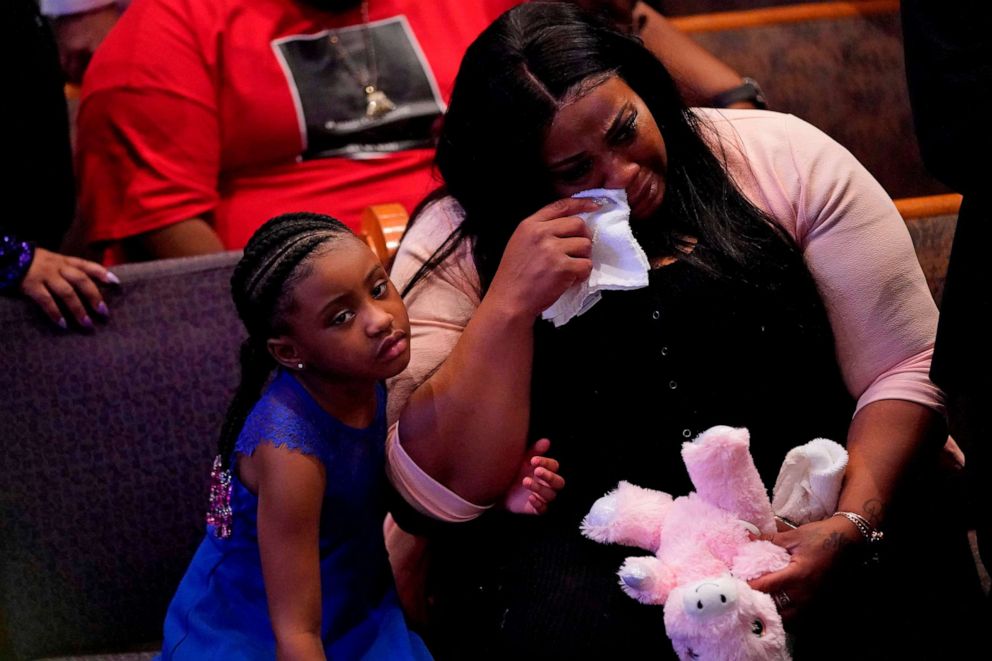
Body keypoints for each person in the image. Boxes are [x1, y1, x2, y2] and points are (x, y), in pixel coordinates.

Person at [385, 3, 982, 658]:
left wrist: (850, 524)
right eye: (576, 171)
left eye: (625, 129)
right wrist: (506, 307)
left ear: (645, 90)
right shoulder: (458, 239)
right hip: (607, 544)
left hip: (825, 498)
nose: (622, 175)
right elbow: (435, 493)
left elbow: (904, 364)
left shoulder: (774, 154)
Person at [76, 0, 762, 264]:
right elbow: (170, 239)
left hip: (517, 261)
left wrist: (741, 105)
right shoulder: (168, 29)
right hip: (322, 319)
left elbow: (611, 21)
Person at [158, 212, 560, 658]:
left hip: (356, 594)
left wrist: (497, 492)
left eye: (378, 288)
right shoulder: (288, 450)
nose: (379, 320)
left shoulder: (373, 376)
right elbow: (296, 632)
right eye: (342, 316)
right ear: (289, 351)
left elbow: (387, 489)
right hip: (256, 626)